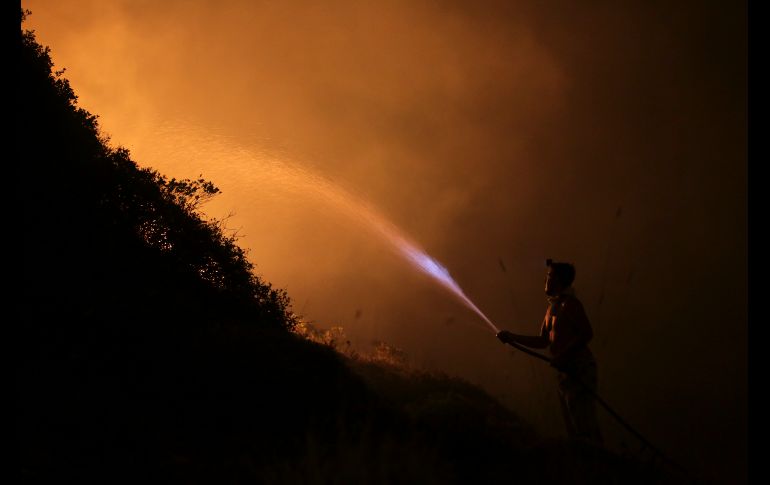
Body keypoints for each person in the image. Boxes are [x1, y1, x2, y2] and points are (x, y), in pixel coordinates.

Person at [497, 259, 603, 445]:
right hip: (564, 373)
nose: (546, 280)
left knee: (584, 423)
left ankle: (600, 463)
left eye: (550, 276)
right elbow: (543, 341)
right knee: (573, 425)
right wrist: (511, 337)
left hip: (579, 370)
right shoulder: (551, 309)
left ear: (560, 280)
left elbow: (587, 333)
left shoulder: (571, 305)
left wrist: (563, 356)